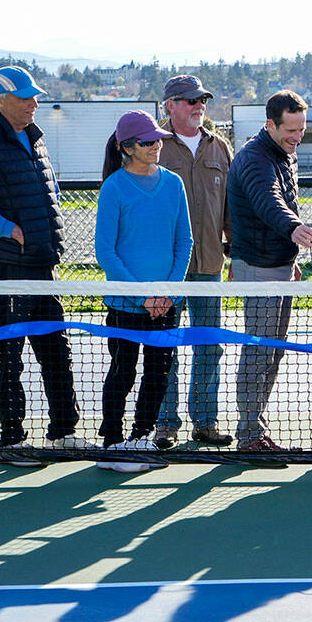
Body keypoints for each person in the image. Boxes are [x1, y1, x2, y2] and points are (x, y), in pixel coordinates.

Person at [0, 65, 91, 465]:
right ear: (0, 100)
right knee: (9, 353)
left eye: (35, 96)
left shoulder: (37, 138)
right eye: (26, 97)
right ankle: (13, 439)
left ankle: (64, 432)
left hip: (42, 265)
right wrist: (10, 229)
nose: (35, 102)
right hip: (6, 268)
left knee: (55, 347)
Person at [94, 110, 192, 473]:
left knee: (158, 373)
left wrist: (167, 293)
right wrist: (142, 297)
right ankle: (112, 444)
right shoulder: (114, 187)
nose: (156, 146)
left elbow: (185, 242)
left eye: (157, 140)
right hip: (125, 305)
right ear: (127, 148)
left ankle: (141, 438)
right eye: (147, 142)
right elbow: (107, 251)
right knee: (123, 372)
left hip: (167, 305)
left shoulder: (174, 184)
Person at [228, 89, 312, 457]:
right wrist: (293, 229)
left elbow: (286, 198)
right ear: (270, 124)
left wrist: (291, 256)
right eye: (290, 130)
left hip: (280, 266)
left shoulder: (285, 154)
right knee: (259, 351)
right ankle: (249, 435)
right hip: (257, 268)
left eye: (302, 129)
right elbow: (269, 200)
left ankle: (256, 428)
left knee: (274, 351)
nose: (297, 136)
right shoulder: (254, 158)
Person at [152, 75, 234, 449]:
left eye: (201, 99)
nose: (197, 105)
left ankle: (206, 421)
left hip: (208, 266)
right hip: (166, 269)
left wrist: (234, 250)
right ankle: (165, 423)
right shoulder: (153, 147)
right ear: (170, 105)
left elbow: (230, 209)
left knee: (209, 344)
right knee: (164, 344)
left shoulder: (221, 148)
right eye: (188, 100)